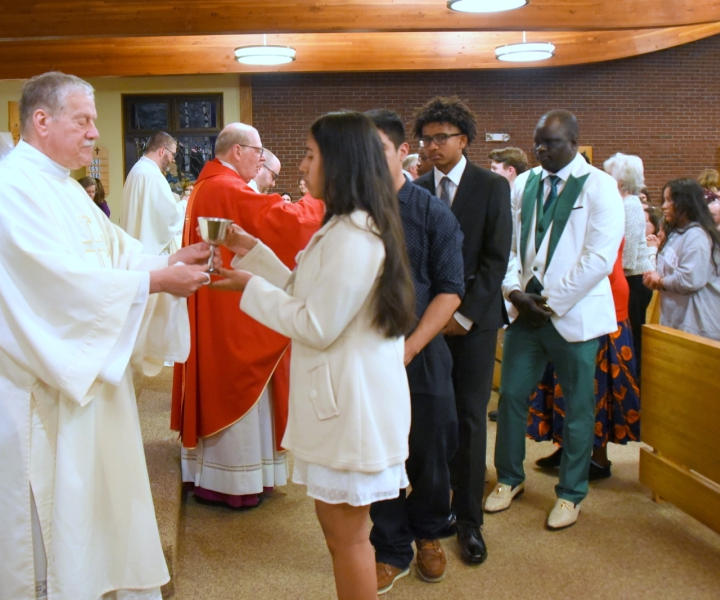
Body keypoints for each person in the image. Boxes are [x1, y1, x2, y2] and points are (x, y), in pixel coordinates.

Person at [0, 71, 214, 600]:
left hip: (84, 379)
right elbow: (53, 287)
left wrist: (165, 261)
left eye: (94, 121)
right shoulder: (9, 191)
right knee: (45, 524)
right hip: (36, 392)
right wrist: (157, 280)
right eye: (84, 120)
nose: (94, 133)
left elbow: (113, 253)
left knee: (90, 513)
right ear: (42, 120)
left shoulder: (61, 188)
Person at [213, 110, 416, 600]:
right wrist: (253, 253)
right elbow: (306, 291)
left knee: (346, 539)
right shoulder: (343, 225)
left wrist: (249, 288)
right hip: (346, 401)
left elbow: (315, 323)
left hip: (354, 407)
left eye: (309, 155)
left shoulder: (353, 235)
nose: (300, 167)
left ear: (340, 163)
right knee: (341, 535)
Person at [171, 123, 326, 509]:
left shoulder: (208, 185)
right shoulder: (226, 186)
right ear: (238, 150)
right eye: (258, 151)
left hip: (218, 300)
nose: (261, 159)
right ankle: (232, 480)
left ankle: (221, 473)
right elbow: (283, 223)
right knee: (236, 379)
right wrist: (322, 202)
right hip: (229, 304)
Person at [487, 110, 623, 530]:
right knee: (510, 398)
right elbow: (508, 245)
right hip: (525, 313)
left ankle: (571, 493)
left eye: (551, 142)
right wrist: (513, 292)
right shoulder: (525, 183)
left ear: (575, 142)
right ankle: (510, 479)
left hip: (572, 315)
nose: (541, 150)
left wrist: (551, 300)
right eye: (538, 142)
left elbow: (599, 257)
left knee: (578, 407)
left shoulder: (601, 186)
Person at [364, 109, 465, 591]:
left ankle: (429, 534)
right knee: (380, 451)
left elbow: (449, 289)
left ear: (403, 152)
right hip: (366, 353)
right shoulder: (352, 213)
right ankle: (390, 546)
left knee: (429, 450)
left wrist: (409, 348)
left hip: (420, 350)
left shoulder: (430, 211)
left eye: (379, 149)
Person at [413, 96, 512, 564]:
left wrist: (465, 314)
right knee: (430, 419)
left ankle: (469, 520)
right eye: (426, 139)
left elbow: (496, 260)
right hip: (426, 323)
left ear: (463, 140)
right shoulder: (415, 189)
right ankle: (432, 512)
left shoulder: (491, 186)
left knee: (471, 420)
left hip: (474, 322)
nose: (432, 146)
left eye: (441, 138)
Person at [528, 240, 641, 481]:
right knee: (566, 381)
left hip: (602, 303)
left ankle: (598, 457)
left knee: (595, 387)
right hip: (569, 302)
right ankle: (568, 447)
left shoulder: (605, 205)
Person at [643, 178, 720, 342]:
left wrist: (661, 281)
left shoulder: (697, 236)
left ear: (686, 203)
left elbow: (691, 280)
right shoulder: (678, 233)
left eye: (670, 200)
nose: (664, 206)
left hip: (698, 327)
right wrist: (654, 278)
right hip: (677, 322)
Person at [603, 153, 653, 380]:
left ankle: (635, 389)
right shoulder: (622, 204)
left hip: (633, 280)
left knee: (633, 338)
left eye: (608, 176)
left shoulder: (630, 206)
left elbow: (628, 257)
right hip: (626, 279)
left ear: (620, 182)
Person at [118, 131, 185, 254]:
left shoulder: (137, 169)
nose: (173, 160)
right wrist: (185, 203)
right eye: (173, 154)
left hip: (134, 250)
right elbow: (169, 218)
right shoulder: (153, 175)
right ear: (162, 151)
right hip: (148, 255)